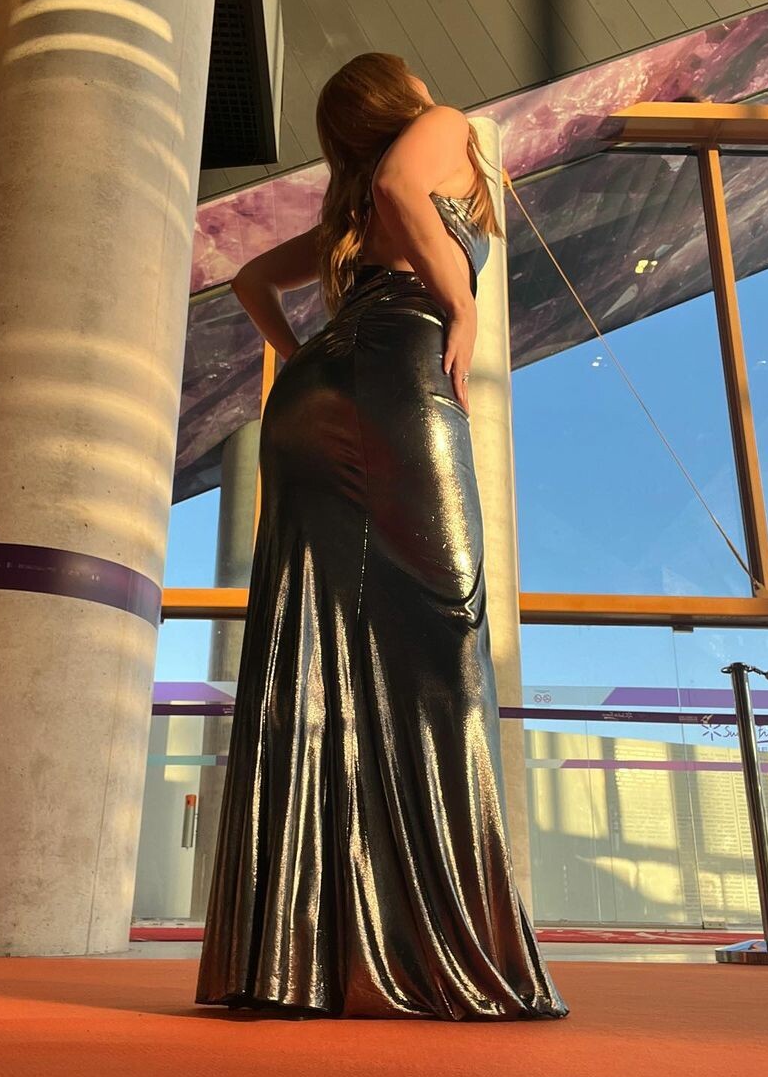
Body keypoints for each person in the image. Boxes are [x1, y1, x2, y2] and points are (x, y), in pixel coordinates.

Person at [194, 52, 569, 1021]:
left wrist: (299, 355)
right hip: (396, 374)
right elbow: (408, 185)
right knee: (441, 633)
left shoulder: (348, 212)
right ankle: (441, 952)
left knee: (317, 652)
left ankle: (299, 961)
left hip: (315, 399)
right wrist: (464, 305)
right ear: (399, 98)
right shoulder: (443, 128)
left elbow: (248, 279)